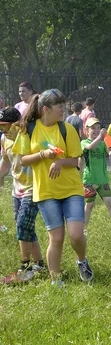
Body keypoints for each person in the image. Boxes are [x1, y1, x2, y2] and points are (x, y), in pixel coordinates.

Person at [14, 89, 93, 286]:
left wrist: (59, 162)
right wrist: (42, 155)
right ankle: (55, 281)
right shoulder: (29, 129)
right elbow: (22, 159)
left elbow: (75, 159)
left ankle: (82, 260)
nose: (63, 110)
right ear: (45, 109)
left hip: (71, 189)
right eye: (59, 107)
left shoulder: (67, 129)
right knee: (56, 238)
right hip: (46, 192)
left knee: (76, 234)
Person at [0, 106, 46, 278]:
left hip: (33, 189)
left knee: (22, 225)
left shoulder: (29, 138)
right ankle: (40, 264)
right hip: (16, 191)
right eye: (0, 127)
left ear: (18, 124)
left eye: (5, 126)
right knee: (27, 228)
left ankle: (25, 268)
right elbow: (5, 162)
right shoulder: (5, 140)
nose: (3, 131)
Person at [81, 117, 111, 230]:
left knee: (110, 203)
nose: (96, 130)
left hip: (103, 179)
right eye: (93, 128)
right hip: (90, 180)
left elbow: (110, 153)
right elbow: (90, 147)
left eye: (98, 128)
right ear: (86, 130)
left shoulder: (102, 144)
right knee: (89, 205)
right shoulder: (84, 142)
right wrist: (100, 137)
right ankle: (85, 228)